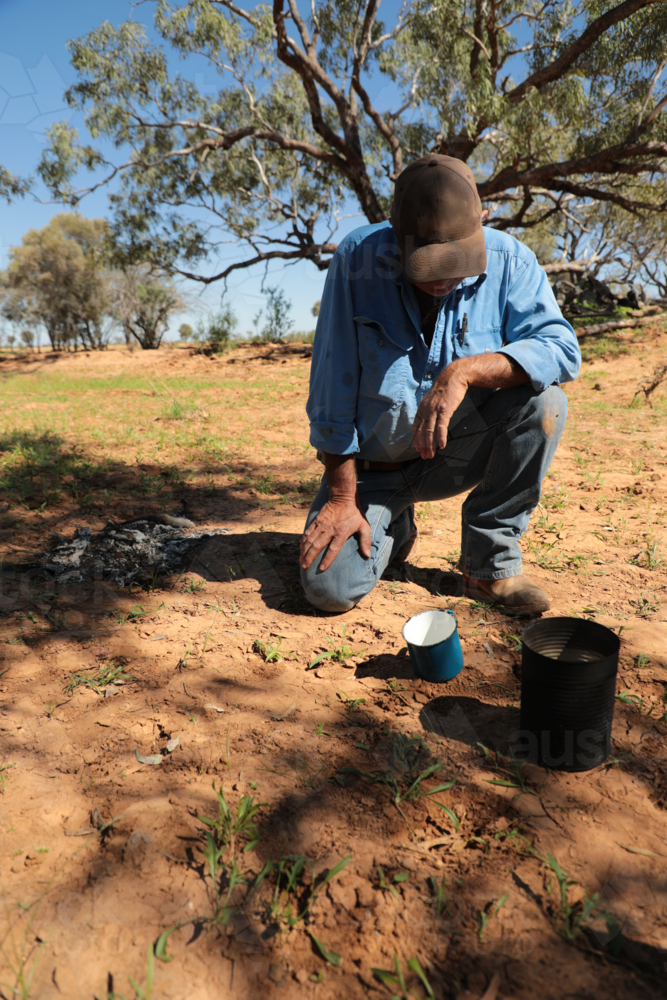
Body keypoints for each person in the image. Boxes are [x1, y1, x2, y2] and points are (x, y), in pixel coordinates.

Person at [300, 154, 580, 617]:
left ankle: (488, 567)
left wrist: (464, 372)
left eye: (457, 261)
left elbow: (562, 350)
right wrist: (343, 498)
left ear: (482, 221)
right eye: (426, 263)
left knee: (544, 402)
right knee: (329, 588)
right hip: (372, 473)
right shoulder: (357, 259)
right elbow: (331, 384)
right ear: (394, 233)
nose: (443, 278)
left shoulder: (512, 260)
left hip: (452, 455)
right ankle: (394, 523)